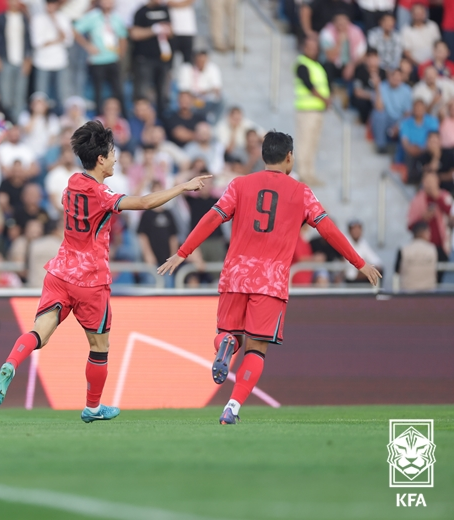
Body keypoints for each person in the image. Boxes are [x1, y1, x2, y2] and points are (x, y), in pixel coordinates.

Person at [0, 120, 210, 421]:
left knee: (41, 330)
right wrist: (183, 186)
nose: (116, 157)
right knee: (99, 346)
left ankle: (12, 363)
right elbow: (144, 202)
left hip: (59, 271)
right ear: (101, 159)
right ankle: (93, 407)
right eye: (113, 152)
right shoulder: (102, 195)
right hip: (90, 280)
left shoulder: (72, 184)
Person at [157, 131, 381, 424]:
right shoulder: (301, 192)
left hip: (235, 275)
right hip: (270, 281)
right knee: (257, 348)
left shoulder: (239, 184)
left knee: (228, 334)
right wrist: (359, 262)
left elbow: (212, 218)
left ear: (264, 156)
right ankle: (232, 408)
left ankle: (226, 344)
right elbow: (327, 229)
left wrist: (183, 252)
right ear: (289, 157)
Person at [73, 0, 127, 116]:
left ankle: (122, 118)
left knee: (118, 91)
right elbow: (75, 30)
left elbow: (123, 36)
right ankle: (99, 119)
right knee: (98, 92)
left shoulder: (116, 17)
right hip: (97, 60)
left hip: (113, 59)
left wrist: (121, 55)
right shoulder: (92, 16)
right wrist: (87, 45)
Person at [294, 37, 330, 186]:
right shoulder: (302, 64)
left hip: (317, 110)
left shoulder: (316, 65)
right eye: (310, 46)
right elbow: (309, 85)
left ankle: (310, 173)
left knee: (313, 143)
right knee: (305, 143)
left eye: (315, 47)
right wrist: (324, 99)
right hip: (306, 109)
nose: (313, 50)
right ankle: (303, 173)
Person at [130, 0, 173, 115]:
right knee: (142, 93)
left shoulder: (165, 10)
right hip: (144, 59)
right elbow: (134, 33)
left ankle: (161, 118)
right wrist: (153, 30)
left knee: (163, 93)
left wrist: (167, 31)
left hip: (163, 58)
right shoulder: (141, 11)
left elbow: (172, 30)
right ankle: (140, 119)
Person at [371, 68, 413, 153]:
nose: (396, 78)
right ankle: (381, 145)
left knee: (409, 120)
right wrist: (377, 88)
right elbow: (379, 107)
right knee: (378, 115)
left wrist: (398, 126)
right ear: (389, 76)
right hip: (387, 118)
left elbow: (407, 113)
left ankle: (401, 154)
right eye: (393, 75)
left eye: (398, 76)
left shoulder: (407, 90)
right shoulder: (382, 86)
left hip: (400, 119)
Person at [395, 221, 438, 291]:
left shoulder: (403, 249)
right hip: (429, 293)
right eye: (428, 232)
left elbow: (397, 271)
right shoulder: (433, 249)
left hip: (407, 293)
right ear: (423, 233)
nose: (430, 235)